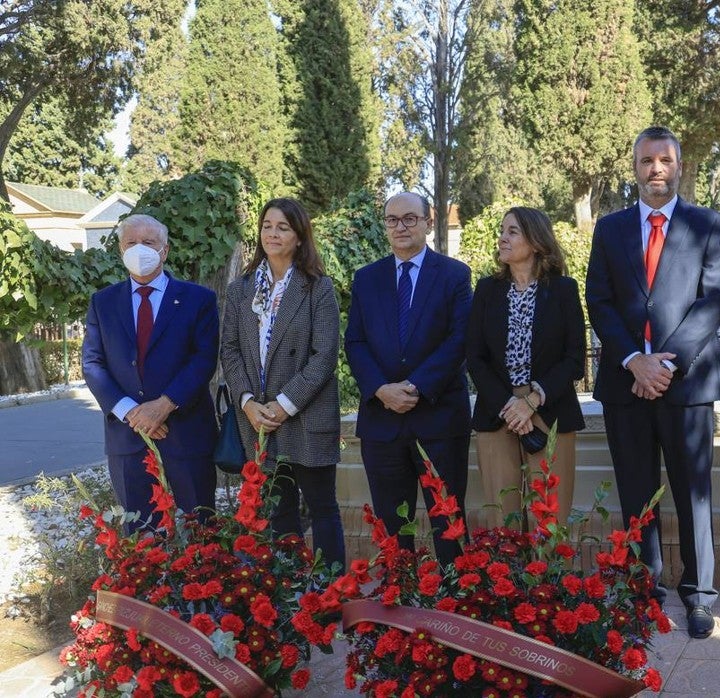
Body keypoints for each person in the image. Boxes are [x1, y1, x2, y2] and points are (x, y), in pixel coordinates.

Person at [585, 125, 720, 639]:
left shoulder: (707, 224)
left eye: (665, 160)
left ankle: (699, 596)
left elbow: (712, 299)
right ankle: (643, 593)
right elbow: (598, 299)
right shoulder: (610, 229)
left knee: (694, 492)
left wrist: (665, 364)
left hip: (688, 385)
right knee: (636, 493)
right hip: (626, 384)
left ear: (679, 165)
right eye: (647, 161)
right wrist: (633, 360)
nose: (656, 170)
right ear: (635, 167)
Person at [345, 192, 473, 566]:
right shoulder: (366, 279)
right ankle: (399, 602)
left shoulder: (454, 275)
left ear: (428, 223)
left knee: (448, 522)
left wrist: (416, 386)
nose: (400, 227)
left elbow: (459, 339)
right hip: (382, 423)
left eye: (409, 219)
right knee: (390, 528)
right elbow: (355, 340)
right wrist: (381, 389)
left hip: (438, 420)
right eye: (392, 220)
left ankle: (453, 603)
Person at [220, 198, 345, 570]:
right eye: (267, 226)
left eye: (283, 227)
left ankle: (331, 589)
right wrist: (246, 402)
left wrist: (284, 405)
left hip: (303, 416)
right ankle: (288, 588)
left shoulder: (318, 288)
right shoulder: (241, 289)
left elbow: (324, 356)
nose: (272, 234)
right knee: (279, 511)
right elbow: (229, 350)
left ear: (299, 235)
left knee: (322, 507)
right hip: (256, 419)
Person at [82, 214, 219, 531]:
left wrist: (163, 406)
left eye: (149, 242)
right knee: (141, 542)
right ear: (120, 250)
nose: (139, 249)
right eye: (131, 243)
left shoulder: (198, 299)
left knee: (199, 534)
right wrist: (133, 413)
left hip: (185, 434)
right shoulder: (103, 302)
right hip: (128, 439)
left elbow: (203, 359)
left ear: (165, 250)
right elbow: (92, 363)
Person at [467, 207, 586, 529]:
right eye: (502, 230)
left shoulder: (563, 290)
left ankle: (550, 581)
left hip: (549, 411)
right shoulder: (487, 290)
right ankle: (506, 580)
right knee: (501, 518)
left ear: (535, 241)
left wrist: (531, 402)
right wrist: (510, 406)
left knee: (550, 519)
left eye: (512, 232)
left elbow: (575, 359)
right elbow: (474, 357)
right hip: (497, 413)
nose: (502, 238)